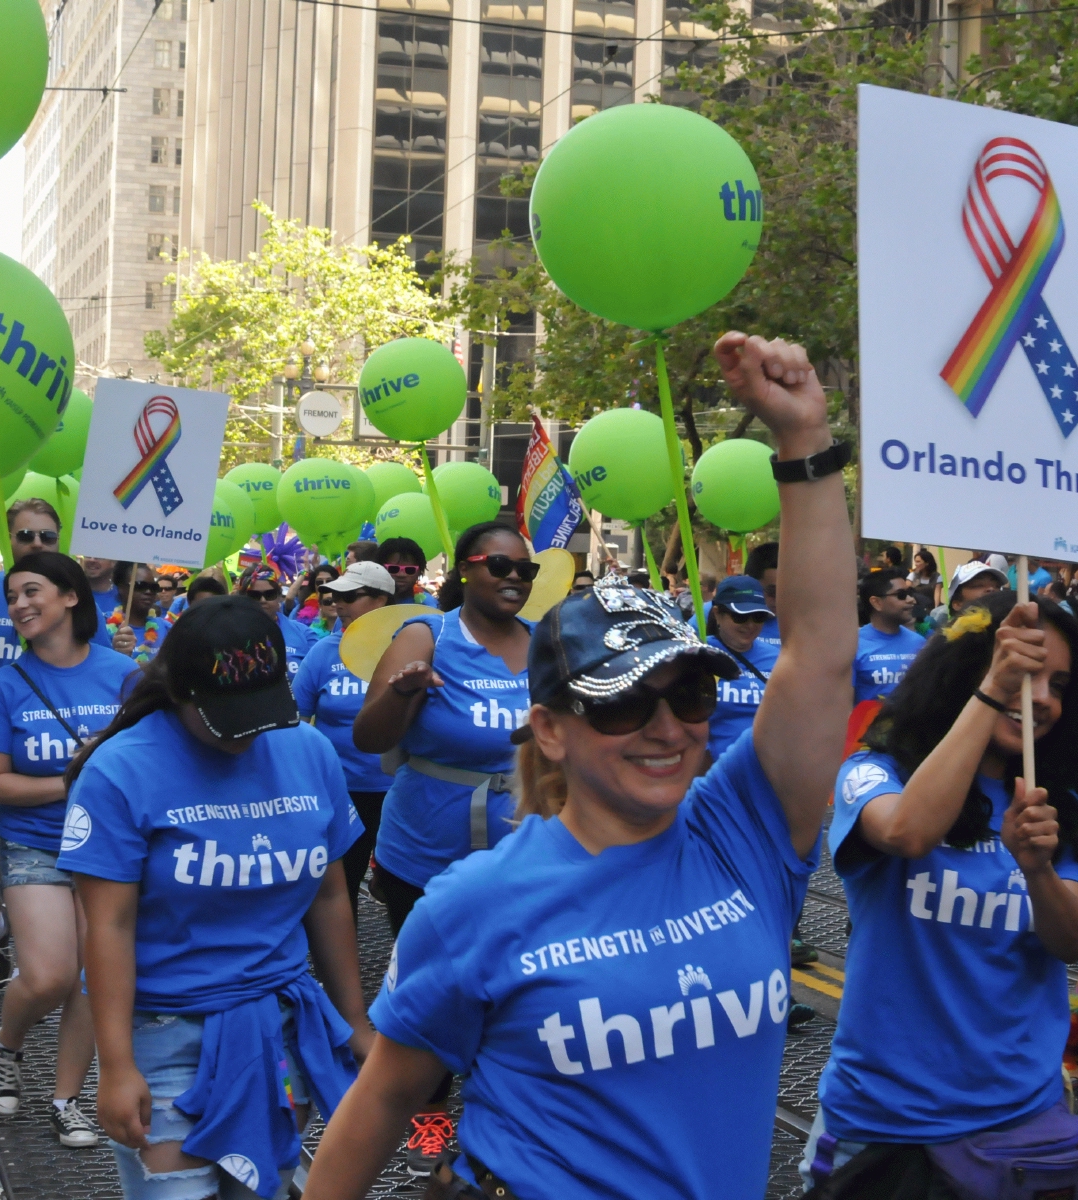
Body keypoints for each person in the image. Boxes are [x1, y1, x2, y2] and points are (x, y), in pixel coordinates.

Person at [306, 332, 855, 1200]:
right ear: (551, 731)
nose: (665, 729)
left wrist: (804, 445)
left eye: (690, 699)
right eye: (621, 702)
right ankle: (454, 1135)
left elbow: (819, 656)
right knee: (432, 1107)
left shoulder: (741, 833)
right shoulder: (472, 906)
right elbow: (376, 1106)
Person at [61, 597, 374, 1199]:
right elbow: (108, 928)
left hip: (277, 1030)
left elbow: (330, 894)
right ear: (178, 692)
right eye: (227, 716)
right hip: (164, 1031)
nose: (249, 732)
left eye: (261, 711)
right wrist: (118, 1065)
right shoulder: (119, 771)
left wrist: (353, 1022)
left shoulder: (309, 752)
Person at [806, 589, 1078, 1192]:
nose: (1040, 698)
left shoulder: (1057, 803)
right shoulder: (876, 772)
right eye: (1024, 671)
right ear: (969, 672)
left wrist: (1039, 869)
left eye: (1059, 684)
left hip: (1022, 1126)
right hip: (888, 1127)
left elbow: (1072, 941)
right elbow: (907, 832)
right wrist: (994, 688)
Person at [351, 518, 536, 1173]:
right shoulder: (425, 634)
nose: (513, 579)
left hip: (519, 855)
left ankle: (495, 1120)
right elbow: (369, 740)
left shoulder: (545, 647)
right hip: (423, 855)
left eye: (525, 571)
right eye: (499, 566)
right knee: (433, 994)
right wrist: (402, 691)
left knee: (512, 993)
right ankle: (428, 1127)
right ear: (464, 569)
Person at [0, 551, 140, 1147]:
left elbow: (149, 762)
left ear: (71, 597)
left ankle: (68, 1100)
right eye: (12, 596)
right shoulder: (4, 683)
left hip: (111, 852)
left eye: (31, 591)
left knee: (93, 980)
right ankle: (5, 1043)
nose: (19, 605)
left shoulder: (124, 673)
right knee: (48, 976)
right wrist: (72, 778)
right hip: (35, 846)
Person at [0, 499, 118, 990]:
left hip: (101, 834)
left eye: (46, 538)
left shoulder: (117, 671)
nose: (35, 544)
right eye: (24, 537)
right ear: (7, 540)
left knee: (91, 973)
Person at [292, 562, 397, 917]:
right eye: (335, 595)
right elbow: (296, 723)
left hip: (399, 791)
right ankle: (345, 966)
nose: (338, 603)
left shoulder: (411, 647)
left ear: (381, 600)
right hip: (340, 791)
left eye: (350, 596)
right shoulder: (322, 653)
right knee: (342, 883)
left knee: (400, 886)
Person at [706, 574, 777, 761]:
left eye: (759, 616)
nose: (750, 625)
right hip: (713, 773)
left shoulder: (778, 658)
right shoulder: (699, 655)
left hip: (767, 771)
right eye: (740, 617)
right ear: (717, 614)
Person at [853, 566, 926, 702]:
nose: (911, 600)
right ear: (877, 602)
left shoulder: (920, 643)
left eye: (910, 593)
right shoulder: (854, 645)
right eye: (901, 595)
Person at [240, 566, 315, 673]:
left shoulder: (304, 634)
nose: (263, 600)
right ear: (243, 598)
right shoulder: (230, 636)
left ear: (279, 596)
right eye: (254, 595)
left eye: (269, 594)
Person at [109, 563, 172, 664]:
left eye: (154, 587)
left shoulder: (166, 628)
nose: (148, 591)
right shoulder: (104, 625)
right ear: (121, 588)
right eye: (140, 585)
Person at [924, 557, 1008, 631]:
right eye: (978, 585)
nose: (991, 589)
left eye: (997, 586)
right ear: (957, 604)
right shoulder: (947, 645)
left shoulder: (1013, 633)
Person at [376, 537, 435, 609]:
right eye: (393, 569)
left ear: (419, 572)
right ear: (379, 568)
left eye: (410, 570)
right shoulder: (367, 601)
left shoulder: (429, 605)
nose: (401, 575)